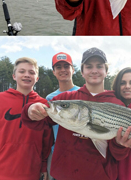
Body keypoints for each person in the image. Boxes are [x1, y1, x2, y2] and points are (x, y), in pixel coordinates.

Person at [21, 47, 131, 180]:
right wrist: (30, 110)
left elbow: (118, 155)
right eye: (89, 66)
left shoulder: (117, 103)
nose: (94, 70)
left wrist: (120, 145)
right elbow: (39, 122)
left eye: (99, 66)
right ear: (82, 72)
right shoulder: (66, 98)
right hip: (63, 174)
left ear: (106, 71)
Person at [0, 57, 53, 180]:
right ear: (14, 76)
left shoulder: (44, 104)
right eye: (22, 71)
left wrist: (44, 167)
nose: (27, 75)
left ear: (37, 78)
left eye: (31, 72)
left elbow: (47, 140)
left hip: (31, 173)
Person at [46, 52, 80, 180]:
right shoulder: (50, 99)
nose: (63, 70)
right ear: (53, 71)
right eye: (58, 67)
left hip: (81, 155)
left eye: (66, 66)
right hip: (58, 155)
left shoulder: (83, 93)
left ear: (73, 70)